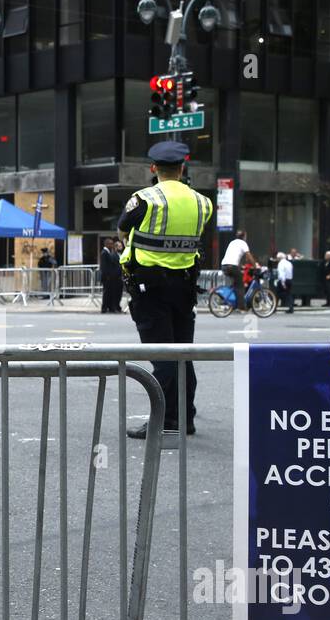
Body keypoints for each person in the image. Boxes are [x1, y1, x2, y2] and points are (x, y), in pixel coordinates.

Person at [119, 140, 213, 439]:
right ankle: (185, 417)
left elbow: (123, 228)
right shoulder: (203, 202)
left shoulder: (145, 198)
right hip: (184, 286)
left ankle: (167, 421)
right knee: (183, 353)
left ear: (153, 168)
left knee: (162, 356)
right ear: (183, 168)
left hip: (151, 287)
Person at [221, 230, 252, 296]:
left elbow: (234, 256)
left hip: (224, 265)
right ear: (244, 237)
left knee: (235, 283)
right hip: (232, 266)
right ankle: (241, 305)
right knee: (240, 285)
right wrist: (255, 265)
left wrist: (241, 266)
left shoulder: (232, 242)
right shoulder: (243, 243)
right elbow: (248, 255)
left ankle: (232, 301)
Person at [99, 237, 124, 313]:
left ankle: (110, 307)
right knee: (106, 293)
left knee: (110, 293)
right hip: (107, 277)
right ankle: (104, 308)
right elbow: (104, 267)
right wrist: (107, 276)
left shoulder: (108, 252)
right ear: (106, 244)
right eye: (110, 244)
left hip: (110, 277)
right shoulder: (104, 253)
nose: (112, 245)